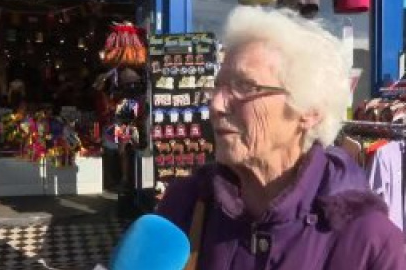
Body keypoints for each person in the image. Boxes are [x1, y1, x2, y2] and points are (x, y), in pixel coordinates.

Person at [156, 6, 405, 270]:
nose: (216, 105)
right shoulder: (186, 207)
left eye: (245, 86)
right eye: (217, 86)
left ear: (309, 111)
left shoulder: (371, 245)